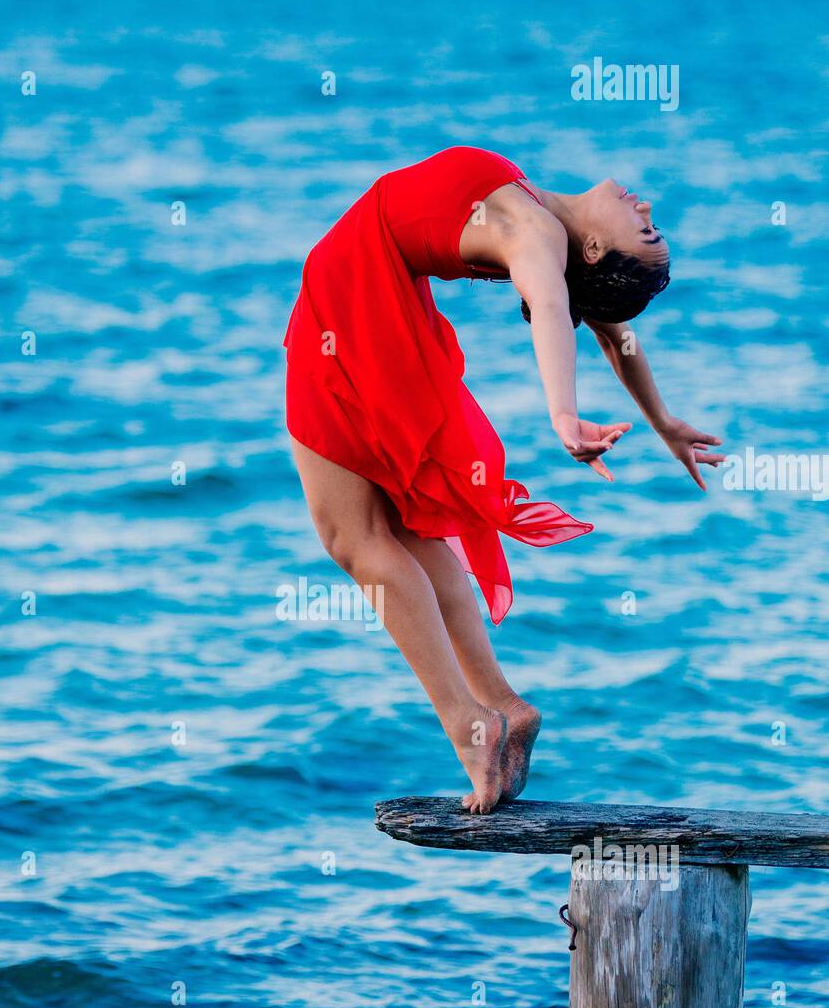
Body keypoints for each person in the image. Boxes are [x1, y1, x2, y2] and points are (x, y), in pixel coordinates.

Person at [283, 146, 723, 813]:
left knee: (356, 536)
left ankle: (470, 724)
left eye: (648, 231)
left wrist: (563, 414)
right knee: (396, 529)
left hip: (353, 301)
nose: (646, 207)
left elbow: (552, 308)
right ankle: (498, 707)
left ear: (599, 249)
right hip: (374, 296)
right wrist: (661, 420)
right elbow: (609, 331)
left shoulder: (537, 235)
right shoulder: (550, 226)